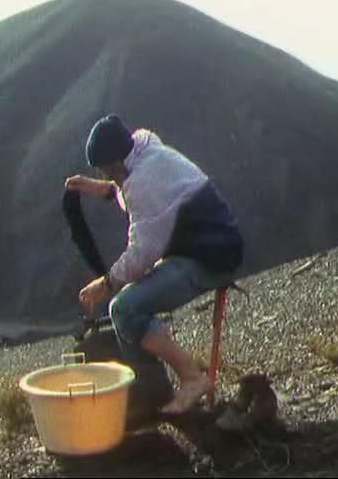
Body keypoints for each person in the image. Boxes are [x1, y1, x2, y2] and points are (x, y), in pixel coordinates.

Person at [65, 114, 244, 415]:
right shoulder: (145, 151)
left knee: (124, 309)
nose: (110, 176)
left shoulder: (143, 181)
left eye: (108, 170)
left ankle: (189, 380)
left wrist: (106, 284)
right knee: (126, 310)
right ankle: (153, 395)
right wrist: (102, 188)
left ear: (118, 162)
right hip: (209, 244)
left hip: (210, 257)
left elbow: (143, 252)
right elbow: (135, 191)